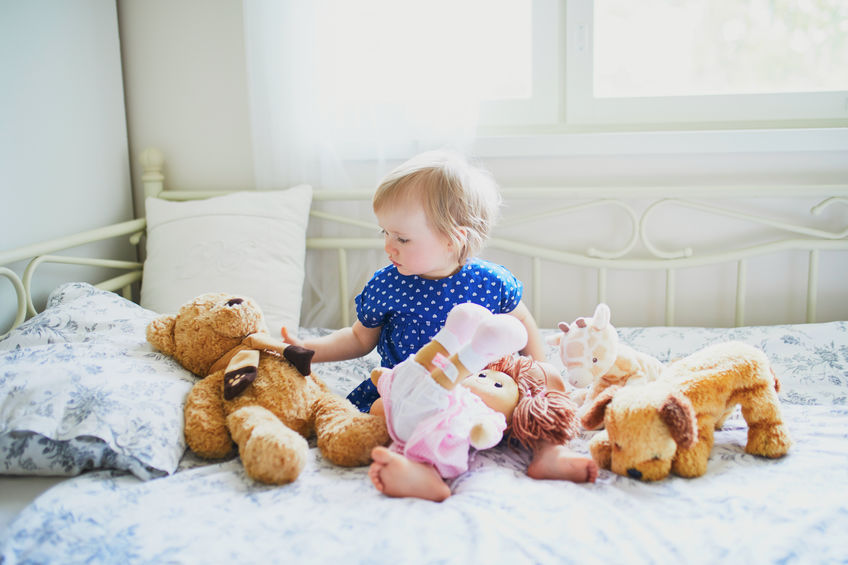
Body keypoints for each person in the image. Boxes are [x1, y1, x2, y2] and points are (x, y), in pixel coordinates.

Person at [281, 149, 545, 413]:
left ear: (452, 240)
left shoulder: (490, 282)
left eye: (402, 238)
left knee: (522, 420)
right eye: (384, 232)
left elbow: (521, 322)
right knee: (378, 410)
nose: (388, 246)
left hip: (475, 394)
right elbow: (358, 339)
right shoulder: (387, 285)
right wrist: (306, 349)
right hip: (405, 391)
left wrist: (539, 374)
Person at [367, 315, 598, 502]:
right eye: (484, 377)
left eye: (495, 383)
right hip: (441, 399)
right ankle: (418, 475)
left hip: (512, 396)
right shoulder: (468, 374)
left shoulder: (496, 283)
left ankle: (550, 453)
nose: (484, 380)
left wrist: (537, 371)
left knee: (547, 389)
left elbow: (526, 323)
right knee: (389, 404)